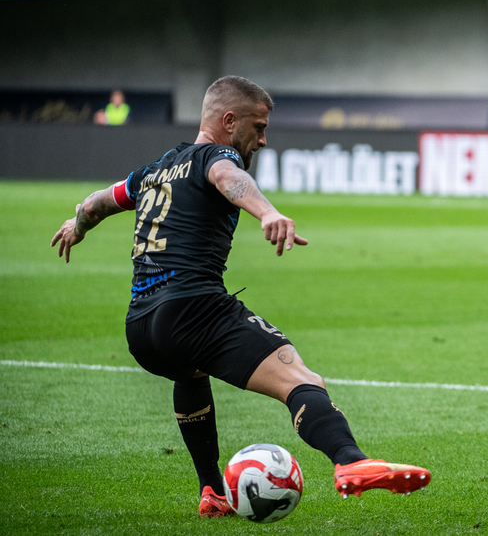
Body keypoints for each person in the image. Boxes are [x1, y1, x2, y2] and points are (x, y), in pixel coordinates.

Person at [51, 76, 430, 517]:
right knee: (301, 380)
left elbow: (95, 203)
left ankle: (212, 491)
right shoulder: (218, 154)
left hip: (141, 327)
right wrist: (267, 212)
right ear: (229, 121)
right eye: (259, 127)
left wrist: (77, 226)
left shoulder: (153, 171)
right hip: (194, 308)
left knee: (190, 372)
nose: (263, 140)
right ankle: (351, 461)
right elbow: (226, 175)